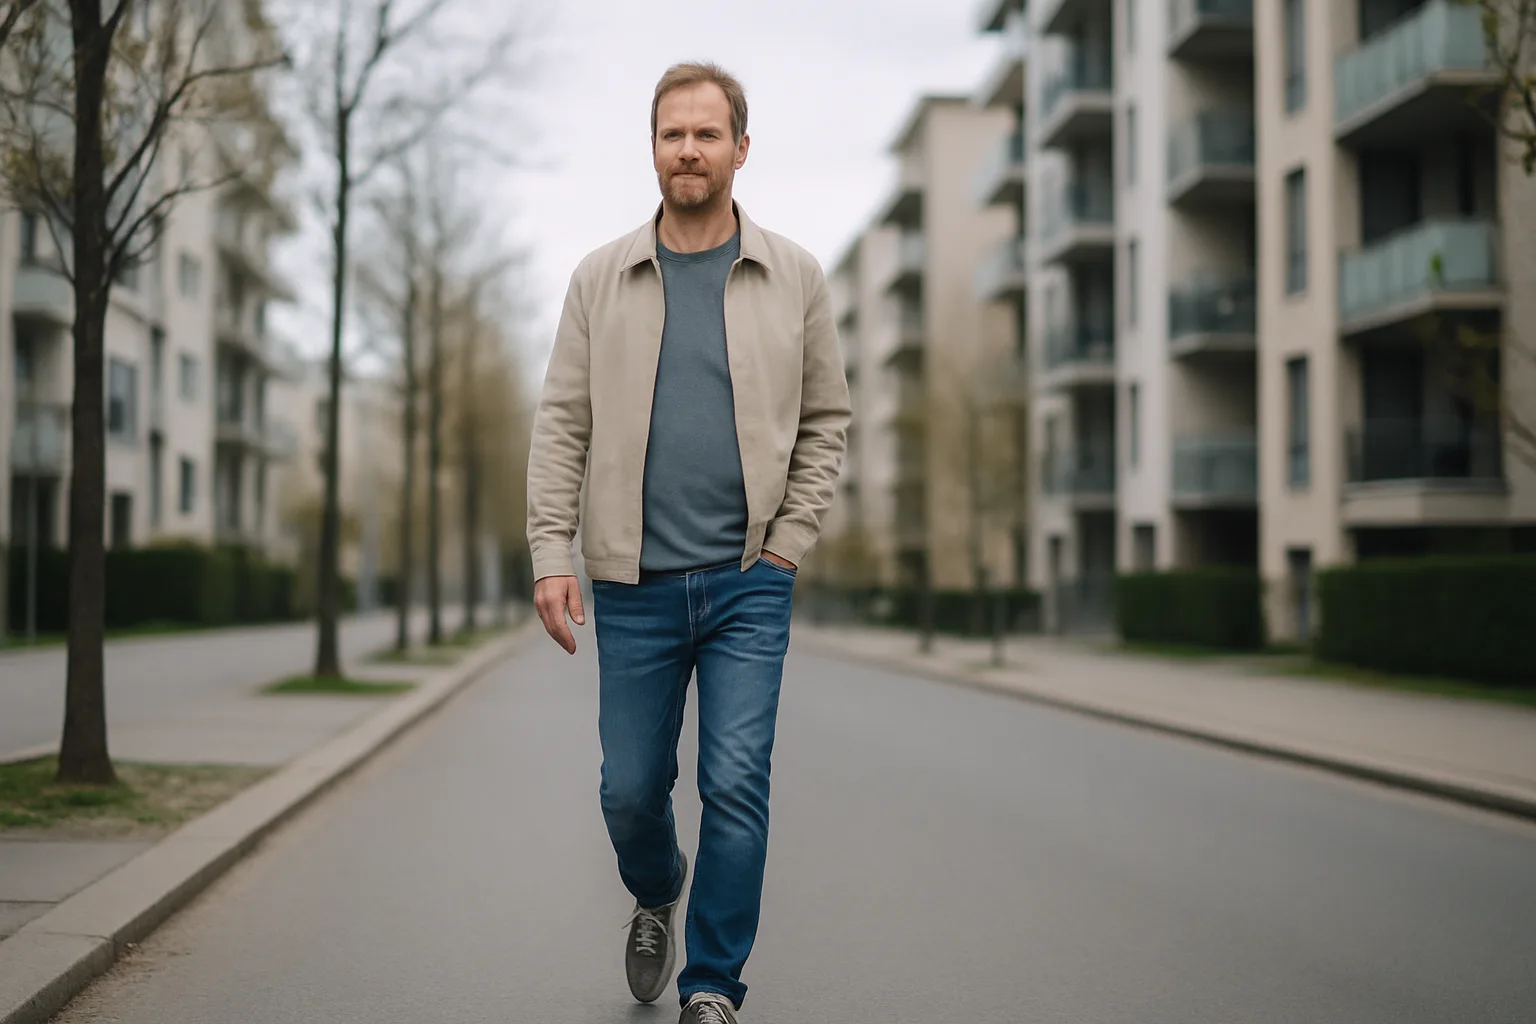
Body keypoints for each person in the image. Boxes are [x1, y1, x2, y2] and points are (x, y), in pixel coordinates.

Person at [524, 61, 850, 1023]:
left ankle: (713, 984)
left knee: (736, 786)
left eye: (709, 134)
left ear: (741, 149)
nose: (690, 150)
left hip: (751, 580)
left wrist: (788, 542)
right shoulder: (601, 278)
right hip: (633, 583)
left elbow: (828, 419)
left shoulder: (794, 275)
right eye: (674, 134)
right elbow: (561, 425)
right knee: (630, 792)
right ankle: (655, 886)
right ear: (653, 148)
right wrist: (552, 552)